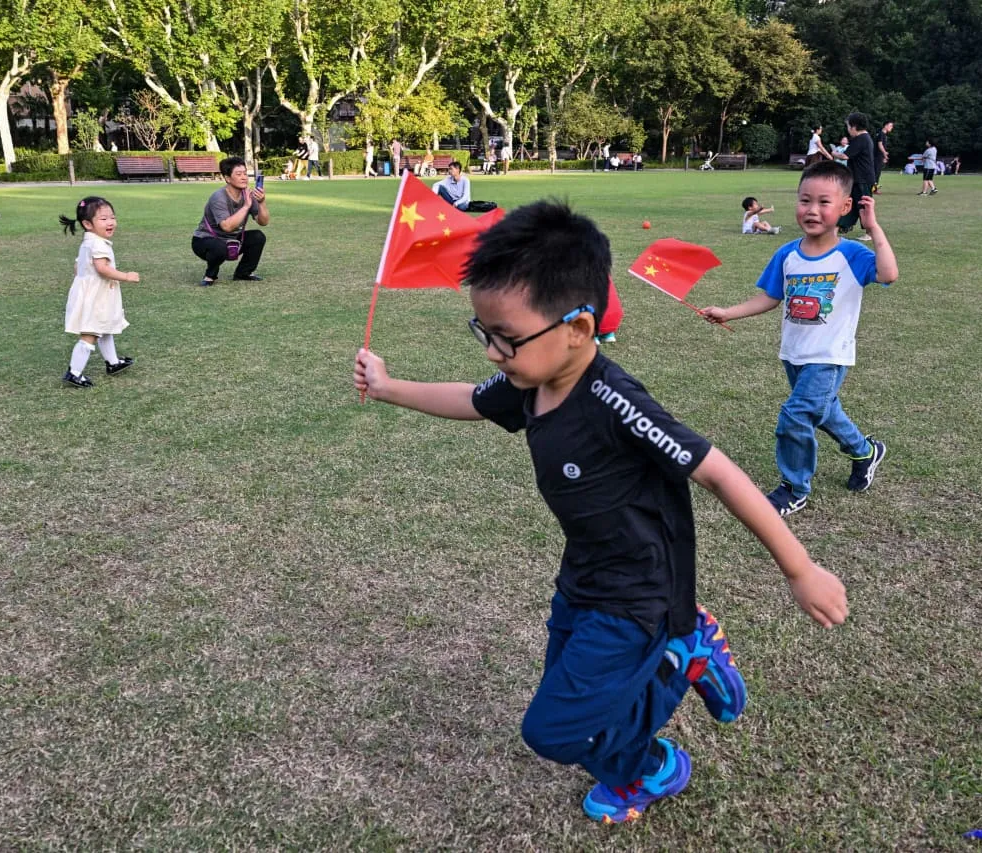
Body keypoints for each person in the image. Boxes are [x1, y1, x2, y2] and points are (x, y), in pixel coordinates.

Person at [353, 199, 849, 825]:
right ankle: (642, 760)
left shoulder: (616, 402)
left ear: (579, 330)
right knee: (582, 705)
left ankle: (677, 666)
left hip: (641, 593)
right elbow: (474, 400)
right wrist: (390, 386)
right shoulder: (529, 380)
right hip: (584, 578)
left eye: (506, 338)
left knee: (554, 732)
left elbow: (720, 473)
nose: (492, 354)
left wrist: (800, 569)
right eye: (484, 333)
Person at [700, 161, 898, 516]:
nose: (812, 210)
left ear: (845, 207)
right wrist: (728, 312)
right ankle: (866, 452)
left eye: (824, 202)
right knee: (825, 413)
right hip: (794, 354)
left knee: (795, 416)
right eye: (805, 200)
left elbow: (889, 273)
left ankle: (794, 488)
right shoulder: (787, 253)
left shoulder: (852, 254)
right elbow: (770, 297)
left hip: (829, 356)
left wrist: (874, 228)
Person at [59, 196, 139, 389]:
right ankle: (74, 372)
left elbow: (77, 266)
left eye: (112, 217)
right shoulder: (98, 244)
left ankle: (113, 362)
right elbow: (102, 268)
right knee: (91, 333)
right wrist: (126, 276)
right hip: (96, 296)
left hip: (94, 293)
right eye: (103, 219)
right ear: (88, 224)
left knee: (105, 328)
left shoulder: (89, 241)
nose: (110, 222)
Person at [192, 156, 270, 286]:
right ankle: (210, 275)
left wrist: (261, 202)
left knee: (258, 236)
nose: (244, 177)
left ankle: (243, 273)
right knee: (219, 247)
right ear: (227, 178)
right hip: (205, 240)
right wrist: (246, 206)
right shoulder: (218, 197)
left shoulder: (248, 195)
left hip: (233, 240)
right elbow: (227, 227)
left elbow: (263, 222)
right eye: (238, 174)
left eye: (245, 173)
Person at [836, 112, 875, 241]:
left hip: (863, 178)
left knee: (864, 205)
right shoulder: (862, 139)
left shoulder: (861, 139)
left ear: (854, 126)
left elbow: (845, 155)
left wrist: (834, 153)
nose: (847, 130)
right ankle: (843, 226)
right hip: (856, 178)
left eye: (848, 126)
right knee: (850, 203)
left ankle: (870, 233)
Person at [872, 120, 892, 194]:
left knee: (877, 173)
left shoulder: (882, 134)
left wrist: (884, 156)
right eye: (890, 126)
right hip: (877, 157)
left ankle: (874, 188)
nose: (891, 128)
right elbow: (880, 145)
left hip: (879, 156)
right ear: (885, 126)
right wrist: (885, 154)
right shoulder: (881, 134)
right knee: (876, 173)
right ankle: (874, 189)